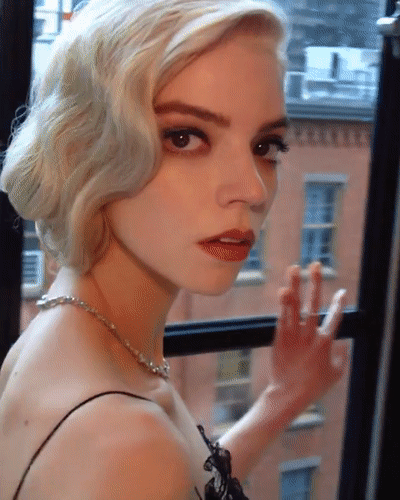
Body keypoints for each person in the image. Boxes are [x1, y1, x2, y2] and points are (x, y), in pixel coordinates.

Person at [0, 0, 349, 498]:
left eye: (265, 146)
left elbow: (192, 483)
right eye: (185, 137)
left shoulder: (62, 337)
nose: (252, 190)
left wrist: (283, 398)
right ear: (85, 146)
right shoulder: (129, 444)